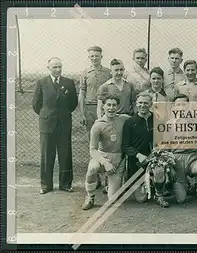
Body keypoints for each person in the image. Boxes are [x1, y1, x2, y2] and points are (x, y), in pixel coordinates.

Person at [32, 57, 78, 194]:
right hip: (47, 125)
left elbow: (73, 103)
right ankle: (46, 185)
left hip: (64, 124)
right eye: (54, 67)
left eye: (60, 67)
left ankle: (65, 184)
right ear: (48, 68)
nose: (58, 69)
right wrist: (47, 115)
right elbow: (36, 104)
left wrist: (62, 114)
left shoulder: (69, 83)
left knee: (65, 154)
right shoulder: (41, 83)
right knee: (47, 154)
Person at [81, 94, 130, 210]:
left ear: (118, 107)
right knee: (92, 168)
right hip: (102, 158)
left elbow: (140, 116)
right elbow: (93, 149)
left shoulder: (123, 119)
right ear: (103, 106)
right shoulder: (98, 125)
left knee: (113, 200)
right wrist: (105, 163)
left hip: (118, 161)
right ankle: (90, 196)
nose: (111, 108)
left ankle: (109, 186)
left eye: (114, 105)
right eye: (108, 105)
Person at [121, 92, 169, 208]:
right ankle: (145, 183)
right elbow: (125, 146)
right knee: (141, 199)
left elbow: (163, 140)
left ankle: (159, 194)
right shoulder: (130, 122)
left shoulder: (157, 119)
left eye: (146, 103)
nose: (143, 105)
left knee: (159, 170)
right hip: (138, 162)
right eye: (140, 103)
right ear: (136, 104)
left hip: (154, 158)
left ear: (151, 104)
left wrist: (158, 152)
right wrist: (138, 155)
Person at [78, 46, 111, 137]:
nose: (94, 58)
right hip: (90, 108)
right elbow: (82, 94)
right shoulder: (84, 73)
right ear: (89, 57)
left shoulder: (108, 72)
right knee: (92, 135)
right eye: (92, 56)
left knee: (106, 134)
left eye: (97, 56)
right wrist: (82, 114)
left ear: (101, 57)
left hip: (106, 107)